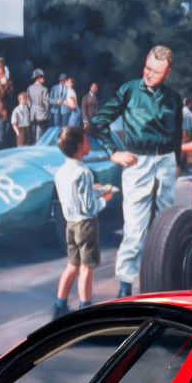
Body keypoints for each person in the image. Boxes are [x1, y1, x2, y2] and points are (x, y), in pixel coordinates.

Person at [91, 44, 192, 297]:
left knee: (165, 224)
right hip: (137, 162)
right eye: (147, 68)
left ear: (167, 73)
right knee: (135, 227)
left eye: (156, 71)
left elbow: (177, 133)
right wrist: (113, 152)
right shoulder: (129, 90)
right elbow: (99, 121)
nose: (149, 74)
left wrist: (176, 162)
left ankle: (162, 282)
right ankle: (125, 286)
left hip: (166, 162)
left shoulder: (173, 98)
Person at [53, 126, 115, 316]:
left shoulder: (61, 171)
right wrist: (105, 198)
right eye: (86, 140)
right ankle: (85, 310)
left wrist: (93, 189)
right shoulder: (84, 172)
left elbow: (75, 196)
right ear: (80, 146)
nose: (89, 144)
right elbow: (88, 207)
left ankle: (59, 307)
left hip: (70, 224)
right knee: (87, 268)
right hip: (86, 225)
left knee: (72, 265)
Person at [25, 68, 52, 147]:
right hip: (42, 114)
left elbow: (28, 101)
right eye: (42, 77)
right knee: (43, 134)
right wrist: (48, 112)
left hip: (32, 113)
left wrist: (32, 108)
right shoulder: (44, 89)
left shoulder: (29, 88)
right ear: (38, 78)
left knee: (34, 132)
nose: (44, 78)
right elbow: (46, 103)